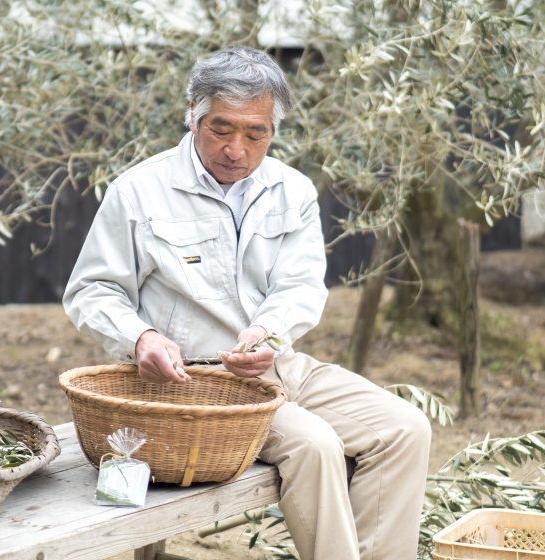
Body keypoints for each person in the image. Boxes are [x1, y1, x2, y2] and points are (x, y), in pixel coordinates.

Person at [63, 45, 431, 560]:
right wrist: (140, 337)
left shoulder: (293, 190)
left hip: (277, 364)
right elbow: (92, 290)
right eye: (221, 128)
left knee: (406, 428)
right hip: (191, 384)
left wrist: (268, 335)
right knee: (315, 445)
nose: (237, 148)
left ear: (273, 132)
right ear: (192, 116)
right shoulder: (139, 191)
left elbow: (301, 287)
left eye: (255, 133)